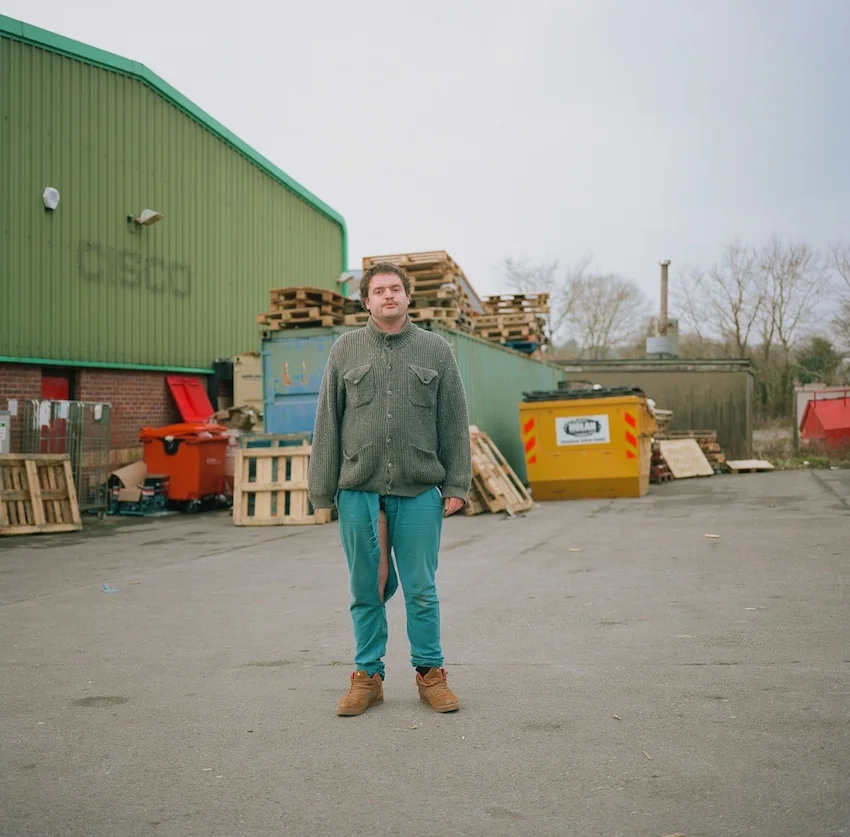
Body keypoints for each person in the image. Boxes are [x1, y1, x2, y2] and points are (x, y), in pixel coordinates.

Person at [307, 261, 472, 716]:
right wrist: (321, 490)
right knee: (366, 589)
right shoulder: (345, 349)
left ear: (407, 296)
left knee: (421, 589)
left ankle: (430, 674)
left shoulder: (436, 349)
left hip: (418, 491)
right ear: (366, 301)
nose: (388, 296)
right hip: (358, 491)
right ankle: (368, 677)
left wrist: (457, 482)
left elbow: (454, 421)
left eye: (395, 288)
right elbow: (328, 420)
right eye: (379, 290)